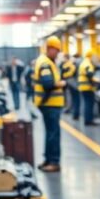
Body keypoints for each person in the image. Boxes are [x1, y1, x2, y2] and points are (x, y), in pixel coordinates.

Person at [33, 37, 66, 172]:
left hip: (49, 104)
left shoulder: (46, 62)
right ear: (50, 48)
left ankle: (48, 159)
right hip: (50, 104)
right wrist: (61, 83)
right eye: (56, 51)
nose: (57, 54)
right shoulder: (46, 64)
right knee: (53, 134)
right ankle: (54, 162)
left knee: (50, 133)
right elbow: (48, 84)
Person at [77, 49, 97, 126]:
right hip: (87, 87)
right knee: (89, 104)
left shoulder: (84, 62)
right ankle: (89, 120)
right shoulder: (88, 63)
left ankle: (87, 119)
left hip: (83, 86)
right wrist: (94, 82)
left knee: (86, 103)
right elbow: (89, 74)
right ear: (91, 56)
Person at [60, 52, 79, 118]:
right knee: (72, 98)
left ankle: (71, 110)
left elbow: (67, 73)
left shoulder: (68, 65)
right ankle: (72, 111)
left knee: (70, 97)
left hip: (69, 83)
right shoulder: (69, 64)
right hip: (71, 83)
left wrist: (65, 77)